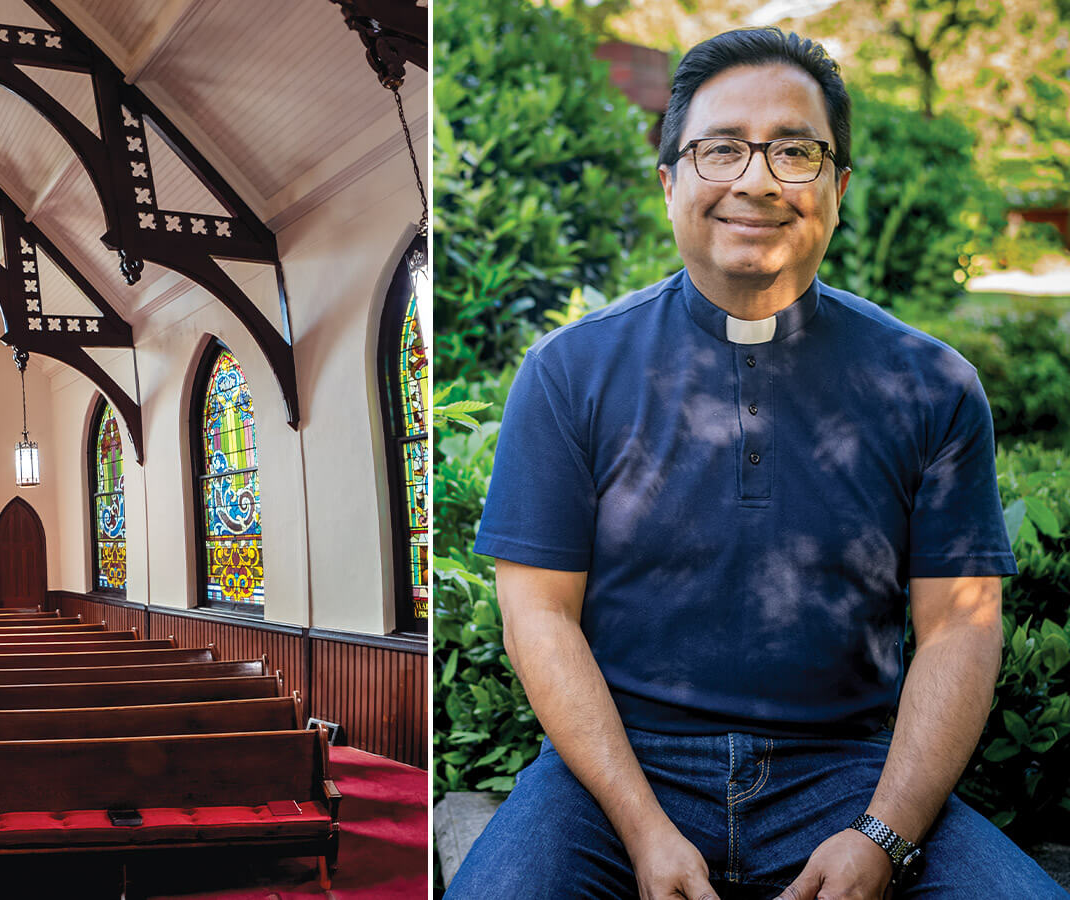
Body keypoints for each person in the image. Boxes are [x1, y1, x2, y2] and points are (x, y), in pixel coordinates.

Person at [446, 27, 1067, 900]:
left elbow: (961, 626)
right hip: (616, 774)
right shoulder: (568, 372)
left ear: (838, 187)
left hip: (848, 771)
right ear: (670, 182)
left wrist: (881, 837)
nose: (757, 179)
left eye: (795, 151)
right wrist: (642, 827)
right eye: (721, 148)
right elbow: (539, 616)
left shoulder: (931, 385)